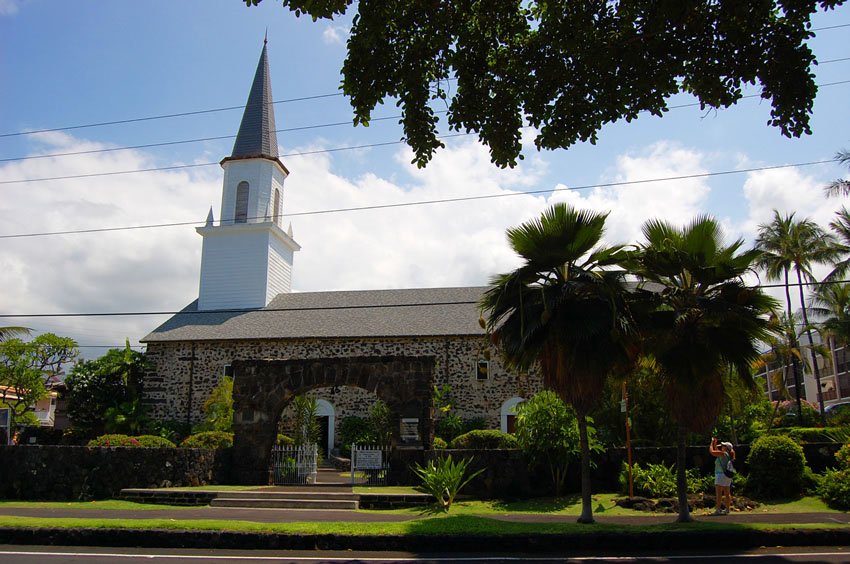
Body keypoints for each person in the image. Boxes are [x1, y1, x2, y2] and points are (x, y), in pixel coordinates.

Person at [709, 437, 735, 515]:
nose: (722, 446)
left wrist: (711, 444)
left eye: (723, 446)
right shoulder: (727, 454)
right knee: (727, 493)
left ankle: (718, 510)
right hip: (727, 475)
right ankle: (727, 509)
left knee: (719, 493)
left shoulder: (723, 454)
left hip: (720, 475)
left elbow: (712, 452)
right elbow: (717, 450)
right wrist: (714, 443)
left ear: (726, 448)